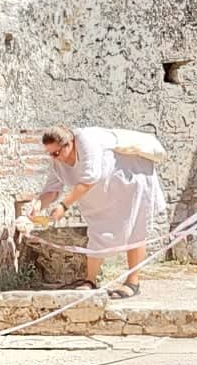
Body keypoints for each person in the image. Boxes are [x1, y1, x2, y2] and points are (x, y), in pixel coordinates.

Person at [35, 125, 167, 296]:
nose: (53, 158)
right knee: (97, 232)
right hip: (99, 194)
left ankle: (133, 282)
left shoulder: (87, 141)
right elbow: (51, 190)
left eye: (56, 153)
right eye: (50, 154)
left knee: (135, 228)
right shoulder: (57, 162)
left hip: (130, 180)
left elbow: (90, 178)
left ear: (69, 144)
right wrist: (37, 206)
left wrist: (64, 206)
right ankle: (90, 280)